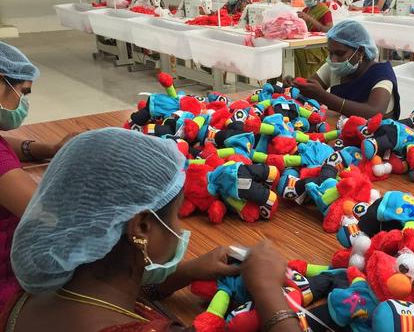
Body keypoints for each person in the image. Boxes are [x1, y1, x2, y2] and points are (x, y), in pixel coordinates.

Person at [0, 129, 302, 332]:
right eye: (174, 217)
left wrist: (183, 273)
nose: (179, 229)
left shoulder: (33, 293)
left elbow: (108, 296)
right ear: (142, 226)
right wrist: (267, 291)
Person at [0, 42, 75, 309]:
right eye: (23, 92)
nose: (24, 103)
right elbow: (49, 217)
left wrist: (49, 149)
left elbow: (8, 145)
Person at [285, 20, 400, 119]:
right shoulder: (335, 67)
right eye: (330, 53)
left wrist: (323, 96)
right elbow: (309, 89)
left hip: (377, 139)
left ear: (360, 51)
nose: (334, 60)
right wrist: (295, 85)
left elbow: (374, 112)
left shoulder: (381, 75)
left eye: (340, 53)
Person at [294, 0, 333, 79]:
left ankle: (303, 80)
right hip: (306, 41)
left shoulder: (325, 11)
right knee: (287, 51)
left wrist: (310, 19)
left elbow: (329, 30)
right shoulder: (306, 10)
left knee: (296, 52)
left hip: (318, 46)